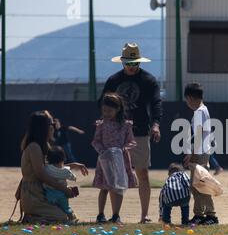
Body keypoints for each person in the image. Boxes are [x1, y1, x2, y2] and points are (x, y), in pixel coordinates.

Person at [101, 42, 162, 224]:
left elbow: (156, 103)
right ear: (122, 62)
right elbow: (102, 104)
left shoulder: (149, 81)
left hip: (140, 132)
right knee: (115, 174)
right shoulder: (113, 81)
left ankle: (144, 216)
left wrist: (156, 124)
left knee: (142, 173)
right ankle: (115, 215)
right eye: (128, 63)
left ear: (140, 63)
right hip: (116, 133)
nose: (131, 67)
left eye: (135, 63)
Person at [17, 110, 87, 224]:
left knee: (68, 216)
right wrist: (64, 189)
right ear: (43, 128)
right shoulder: (34, 147)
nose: (53, 127)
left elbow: (49, 170)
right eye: (51, 124)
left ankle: (35, 215)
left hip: (41, 193)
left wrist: (72, 165)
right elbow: (41, 175)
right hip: (33, 195)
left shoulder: (42, 145)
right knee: (62, 218)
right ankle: (31, 218)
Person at [92, 93, 138, 224]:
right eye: (104, 110)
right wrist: (102, 151)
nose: (106, 113)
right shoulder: (101, 125)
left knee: (118, 188)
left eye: (109, 111)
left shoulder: (126, 125)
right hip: (105, 160)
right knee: (104, 187)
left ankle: (116, 215)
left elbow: (132, 141)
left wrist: (125, 148)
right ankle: (100, 214)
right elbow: (96, 141)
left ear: (117, 109)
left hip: (120, 160)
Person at [183, 82, 218, 225]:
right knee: (198, 184)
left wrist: (191, 154)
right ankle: (200, 214)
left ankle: (210, 215)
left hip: (200, 152)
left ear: (190, 98)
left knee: (200, 185)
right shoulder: (204, 109)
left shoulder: (198, 112)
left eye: (186, 100)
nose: (187, 103)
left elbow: (198, 134)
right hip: (203, 151)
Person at [43, 146, 78, 222]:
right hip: (62, 194)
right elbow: (73, 178)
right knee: (66, 208)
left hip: (49, 194)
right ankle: (72, 218)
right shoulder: (65, 171)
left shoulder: (47, 168)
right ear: (63, 159)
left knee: (53, 208)